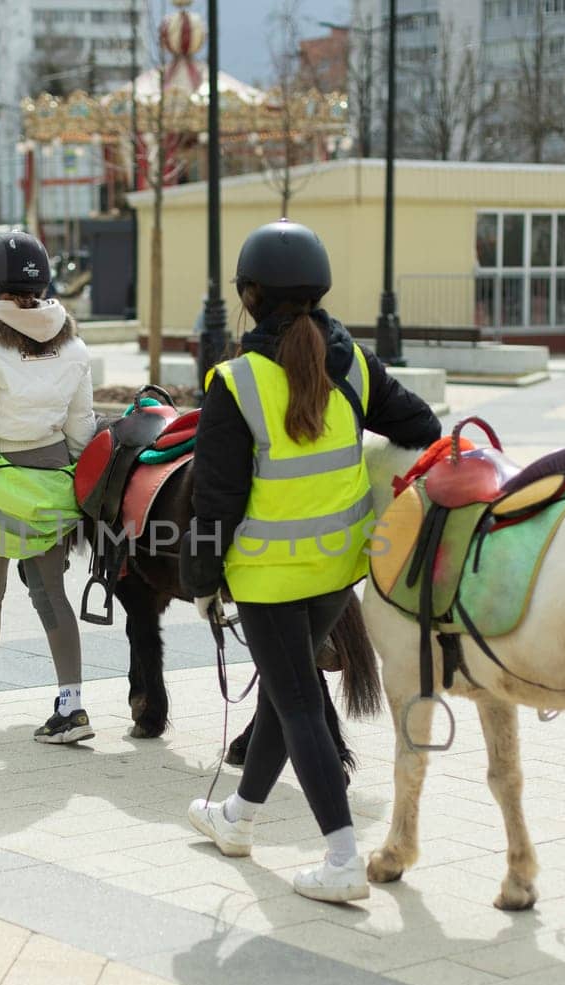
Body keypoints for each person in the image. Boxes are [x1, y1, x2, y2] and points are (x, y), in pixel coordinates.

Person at [182, 220, 442, 903]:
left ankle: (342, 860)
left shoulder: (235, 383)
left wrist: (201, 584)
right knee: (284, 692)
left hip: (268, 578)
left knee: (297, 702)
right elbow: (422, 427)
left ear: (249, 296)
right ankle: (238, 819)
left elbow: (214, 502)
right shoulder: (353, 364)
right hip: (338, 569)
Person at [0, 231, 98, 744]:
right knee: (52, 594)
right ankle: (70, 706)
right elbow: (81, 433)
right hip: (51, 482)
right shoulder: (73, 345)